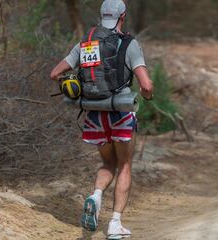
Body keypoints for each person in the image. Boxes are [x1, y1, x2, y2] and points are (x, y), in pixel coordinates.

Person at [50, 0, 153, 239]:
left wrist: (73, 83)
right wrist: (148, 94)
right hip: (121, 113)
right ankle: (115, 224)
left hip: (94, 115)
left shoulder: (85, 43)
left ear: (101, 15)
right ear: (122, 16)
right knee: (125, 165)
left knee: (108, 164)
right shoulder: (129, 43)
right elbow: (146, 85)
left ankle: (95, 196)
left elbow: (55, 73)